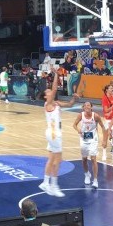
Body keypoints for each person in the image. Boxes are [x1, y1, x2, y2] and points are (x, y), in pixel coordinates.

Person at [39, 66, 78, 198]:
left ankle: (45, 182)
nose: (51, 92)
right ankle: (54, 186)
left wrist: (75, 98)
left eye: (50, 91)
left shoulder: (55, 103)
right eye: (48, 92)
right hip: (54, 133)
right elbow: (55, 88)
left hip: (52, 133)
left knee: (50, 159)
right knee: (58, 160)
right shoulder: (48, 104)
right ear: (46, 97)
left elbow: (70, 105)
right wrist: (56, 74)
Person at [73, 102, 105, 188]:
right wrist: (78, 129)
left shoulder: (96, 116)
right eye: (85, 105)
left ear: (91, 107)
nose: (87, 107)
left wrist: (104, 140)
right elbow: (74, 125)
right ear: (83, 107)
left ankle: (95, 180)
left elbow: (103, 126)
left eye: (88, 105)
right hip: (83, 139)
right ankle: (87, 174)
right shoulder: (81, 115)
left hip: (93, 139)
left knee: (93, 158)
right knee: (84, 159)